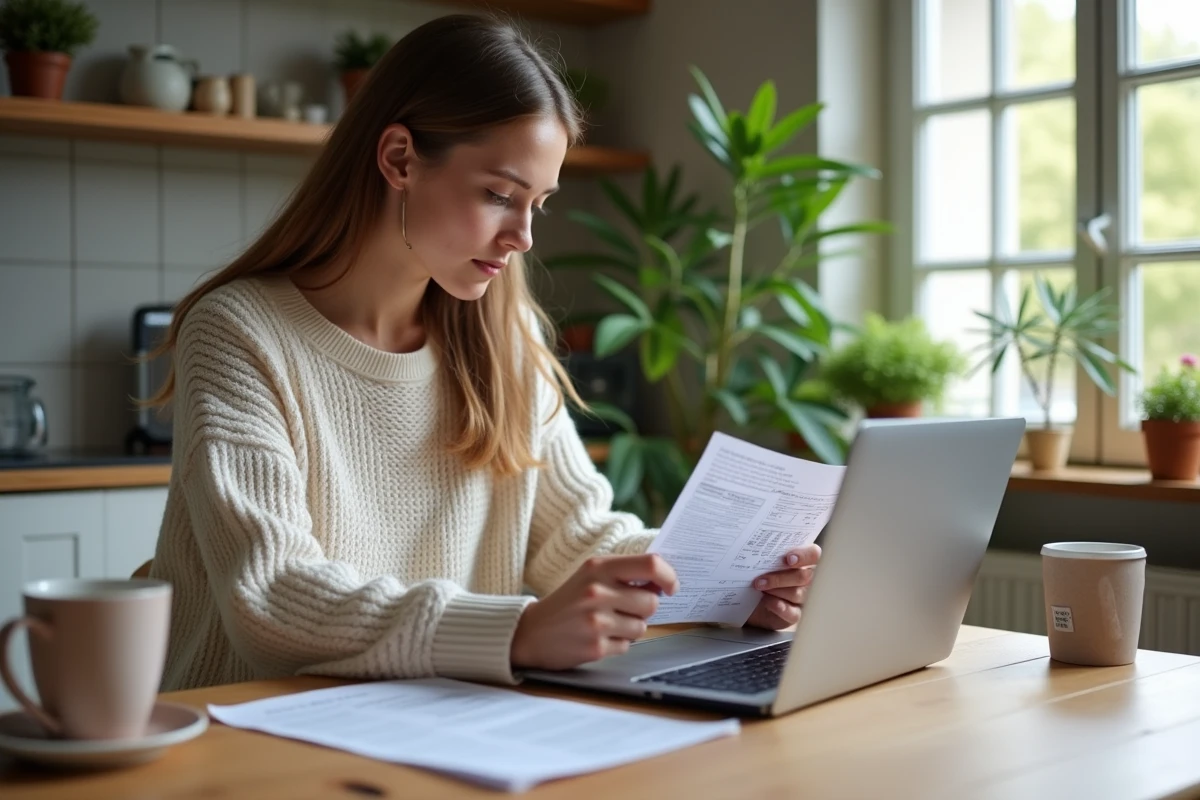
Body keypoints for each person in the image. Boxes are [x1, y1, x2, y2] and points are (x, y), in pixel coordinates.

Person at [148, 13, 819, 692]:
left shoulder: (504, 335)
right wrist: (516, 632)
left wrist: (732, 585)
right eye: (499, 195)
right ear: (399, 159)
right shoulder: (238, 331)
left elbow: (578, 538)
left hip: (430, 717)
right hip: (248, 724)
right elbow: (272, 596)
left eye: (538, 204)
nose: (523, 236)